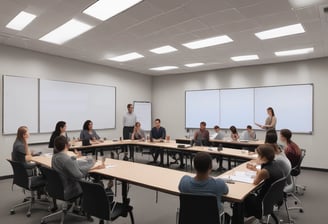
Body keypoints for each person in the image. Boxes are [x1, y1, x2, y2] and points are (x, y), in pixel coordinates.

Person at [52, 135, 105, 200]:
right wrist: (94, 168)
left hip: (59, 189)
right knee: (98, 184)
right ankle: (96, 206)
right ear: (66, 145)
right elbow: (79, 175)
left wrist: (74, 158)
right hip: (71, 189)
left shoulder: (55, 157)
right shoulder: (67, 160)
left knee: (84, 166)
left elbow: (70, 165)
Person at [244, 144, 284, 219]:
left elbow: (255, 182)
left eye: (258, 155)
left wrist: (257, 171)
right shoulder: (274, 163)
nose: (256, 157)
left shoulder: (265, 171)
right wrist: (256, 169)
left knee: (242, 197)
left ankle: (238, 219)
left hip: (261, 203)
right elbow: (265, 173)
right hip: (273, 198)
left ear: (264, 157)